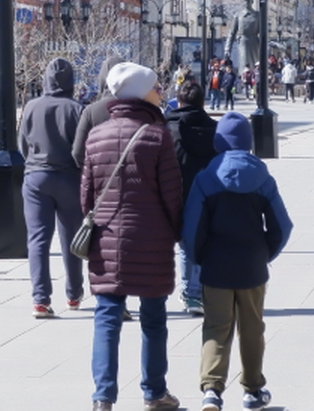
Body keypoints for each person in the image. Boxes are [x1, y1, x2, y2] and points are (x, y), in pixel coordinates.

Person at [82, 62, 183, 411]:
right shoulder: (157, 136)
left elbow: (86, 195)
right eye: (156, 87)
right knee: (154, 317)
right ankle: (154, 392)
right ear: (141, 93)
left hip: (106, 237)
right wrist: (178, 231)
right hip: (151, 238)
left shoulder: (97, 135)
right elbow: (172, 193)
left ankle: (103, 397)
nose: (161, 92)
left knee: (107, 316)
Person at [182, 112, 293, 411]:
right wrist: (265, 252)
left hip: (216, 266)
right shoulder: (262, 177)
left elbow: (191, 229)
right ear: (249, 141)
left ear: (219, 141)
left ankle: (211, 391)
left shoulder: (206, 178)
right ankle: (253, 390)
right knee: (252, 328)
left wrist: (198, 258)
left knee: (217, 327)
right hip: (252, 266)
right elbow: (282, 226)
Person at [19, 58, 87, 318]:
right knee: (71, 238)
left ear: (45, 79)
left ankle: (40, 299)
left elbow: (22, 145)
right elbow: (82, 149)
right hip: (69, 177)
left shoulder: (31, 107)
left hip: (36, 177)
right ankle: (74, 293)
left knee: (38, 239)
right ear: (71, 82)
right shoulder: (77, 109)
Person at [164, 80, 218, 317]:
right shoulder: (215, 129)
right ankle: (196, 292)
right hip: (206, 194)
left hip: (174, 193)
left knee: (183, 246)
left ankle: (189, 292)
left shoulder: (168, 128)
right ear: (202, 102)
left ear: (179, 101)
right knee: (199, 244)